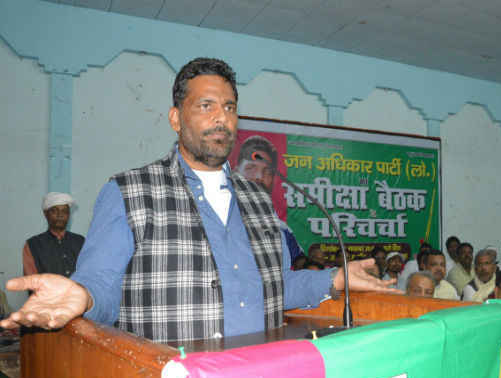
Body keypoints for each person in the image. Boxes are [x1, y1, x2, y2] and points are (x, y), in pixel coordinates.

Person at [1, 57, 399, 341]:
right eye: (205, 106)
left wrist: (334, 278)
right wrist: (83, 295)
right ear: (176, 118)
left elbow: (272, 287)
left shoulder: (259, 201)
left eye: (229, 107)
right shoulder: (130, 192)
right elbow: (103, 282)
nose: (221, 117)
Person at [235, 135, 303, 263]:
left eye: (267, 172)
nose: (259, 177)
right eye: (251, 168)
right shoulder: (215, 219)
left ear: (273, 181)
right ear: (236, 172)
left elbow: (300, 266)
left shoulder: (282, 229)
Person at [23, 193, 85, 277]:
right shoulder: (32, 245)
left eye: (64, 211)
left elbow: (88, 273)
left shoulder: (81, 242)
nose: (60, 215)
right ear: (45, 214)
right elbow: (31, 280)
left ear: (69, 214)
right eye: (55, 211)